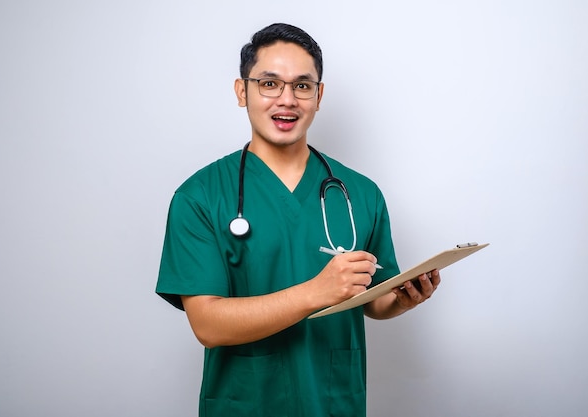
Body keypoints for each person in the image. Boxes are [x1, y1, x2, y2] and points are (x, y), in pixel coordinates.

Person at [156, 22, 441, 417]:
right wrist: (316, 292)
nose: (286, 100)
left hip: (333, 402)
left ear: (319, 95)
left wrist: (402, 299)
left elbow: (374, 302)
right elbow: (207, 325)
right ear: (243, 91)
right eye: (269, 84)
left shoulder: (360, 193)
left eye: (302, 86)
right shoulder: (200, 196)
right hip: (246, 404)